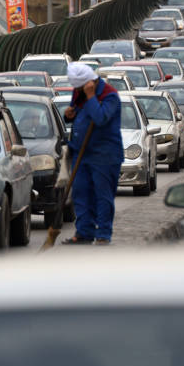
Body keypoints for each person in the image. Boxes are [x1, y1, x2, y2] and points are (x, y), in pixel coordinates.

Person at [63, 63, 123, 245]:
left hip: (104, 155)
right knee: (81, 193)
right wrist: (69, 115)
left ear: (89, 83)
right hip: (81, 153)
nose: (77, 91)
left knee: (102, 195)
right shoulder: (79, 93)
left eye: (80, 87)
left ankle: (103, 233)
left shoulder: (110, 96)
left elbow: (100, 118)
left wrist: (90, 97)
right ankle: (84, 232)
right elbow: (78, 116)